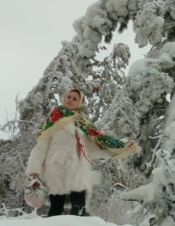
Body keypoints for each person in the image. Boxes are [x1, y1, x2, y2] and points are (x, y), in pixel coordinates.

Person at [26, 89, 141, 217]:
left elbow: (95, 144)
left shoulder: (83, 123)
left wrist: (119, 148)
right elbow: (41, 146)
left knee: (78, 208)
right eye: (69, 97)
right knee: (55, 210)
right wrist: (34, 169)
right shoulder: (53, 120)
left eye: (75, 99)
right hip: (56, 170)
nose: (70, 100)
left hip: (77, 170)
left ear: (80, 103)